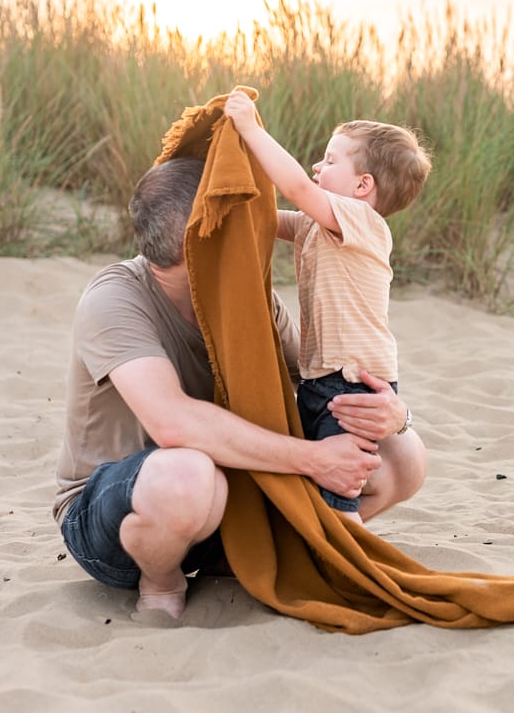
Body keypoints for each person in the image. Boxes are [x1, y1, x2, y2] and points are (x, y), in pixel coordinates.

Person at [54, 155, 426, 620]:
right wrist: (314, 460)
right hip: (117, 519)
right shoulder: (114, 298)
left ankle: (266, 557)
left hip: (227, 509)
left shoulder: (248, 299)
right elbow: (173, 424)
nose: (257, 233)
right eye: (242, 222)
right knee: (188, 474)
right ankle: (161, 580)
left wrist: (395, 414)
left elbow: (322, 372)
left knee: (403, 456)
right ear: (204, 243)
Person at [223, 90, 431, 518]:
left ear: (362, 186)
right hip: (321, 378)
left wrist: (251, 128)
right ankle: (325, 563)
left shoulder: (362, 220)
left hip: (353, 383)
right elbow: (264, 218)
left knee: (339, 493)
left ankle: (351, 574)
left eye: (331, 160)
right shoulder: (318, 225)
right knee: (321, 485)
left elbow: (297, 186)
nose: (319, 166)